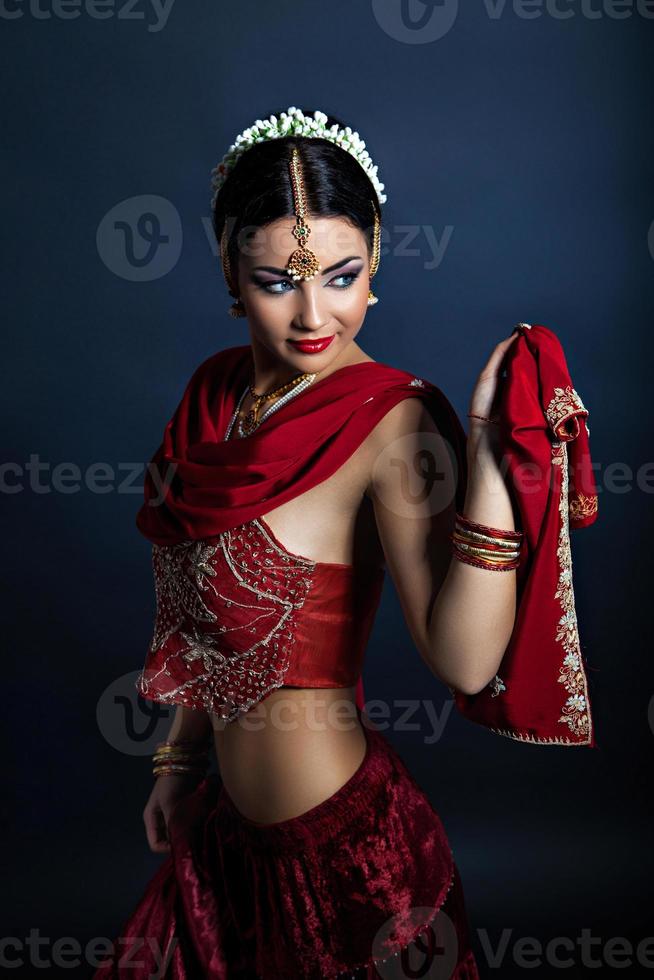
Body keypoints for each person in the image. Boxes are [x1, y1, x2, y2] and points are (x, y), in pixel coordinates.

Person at [95, 106, 523, 980]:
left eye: (342, 274)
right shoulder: (214, 395)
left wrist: (488, 471)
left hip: (344, 862)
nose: (313, 313)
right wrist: (177, 763)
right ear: (228, 270)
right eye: (276, 281)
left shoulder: (394, 424)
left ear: (377, 260)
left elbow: (465, 663)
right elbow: (207, 624)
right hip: (225, 846)